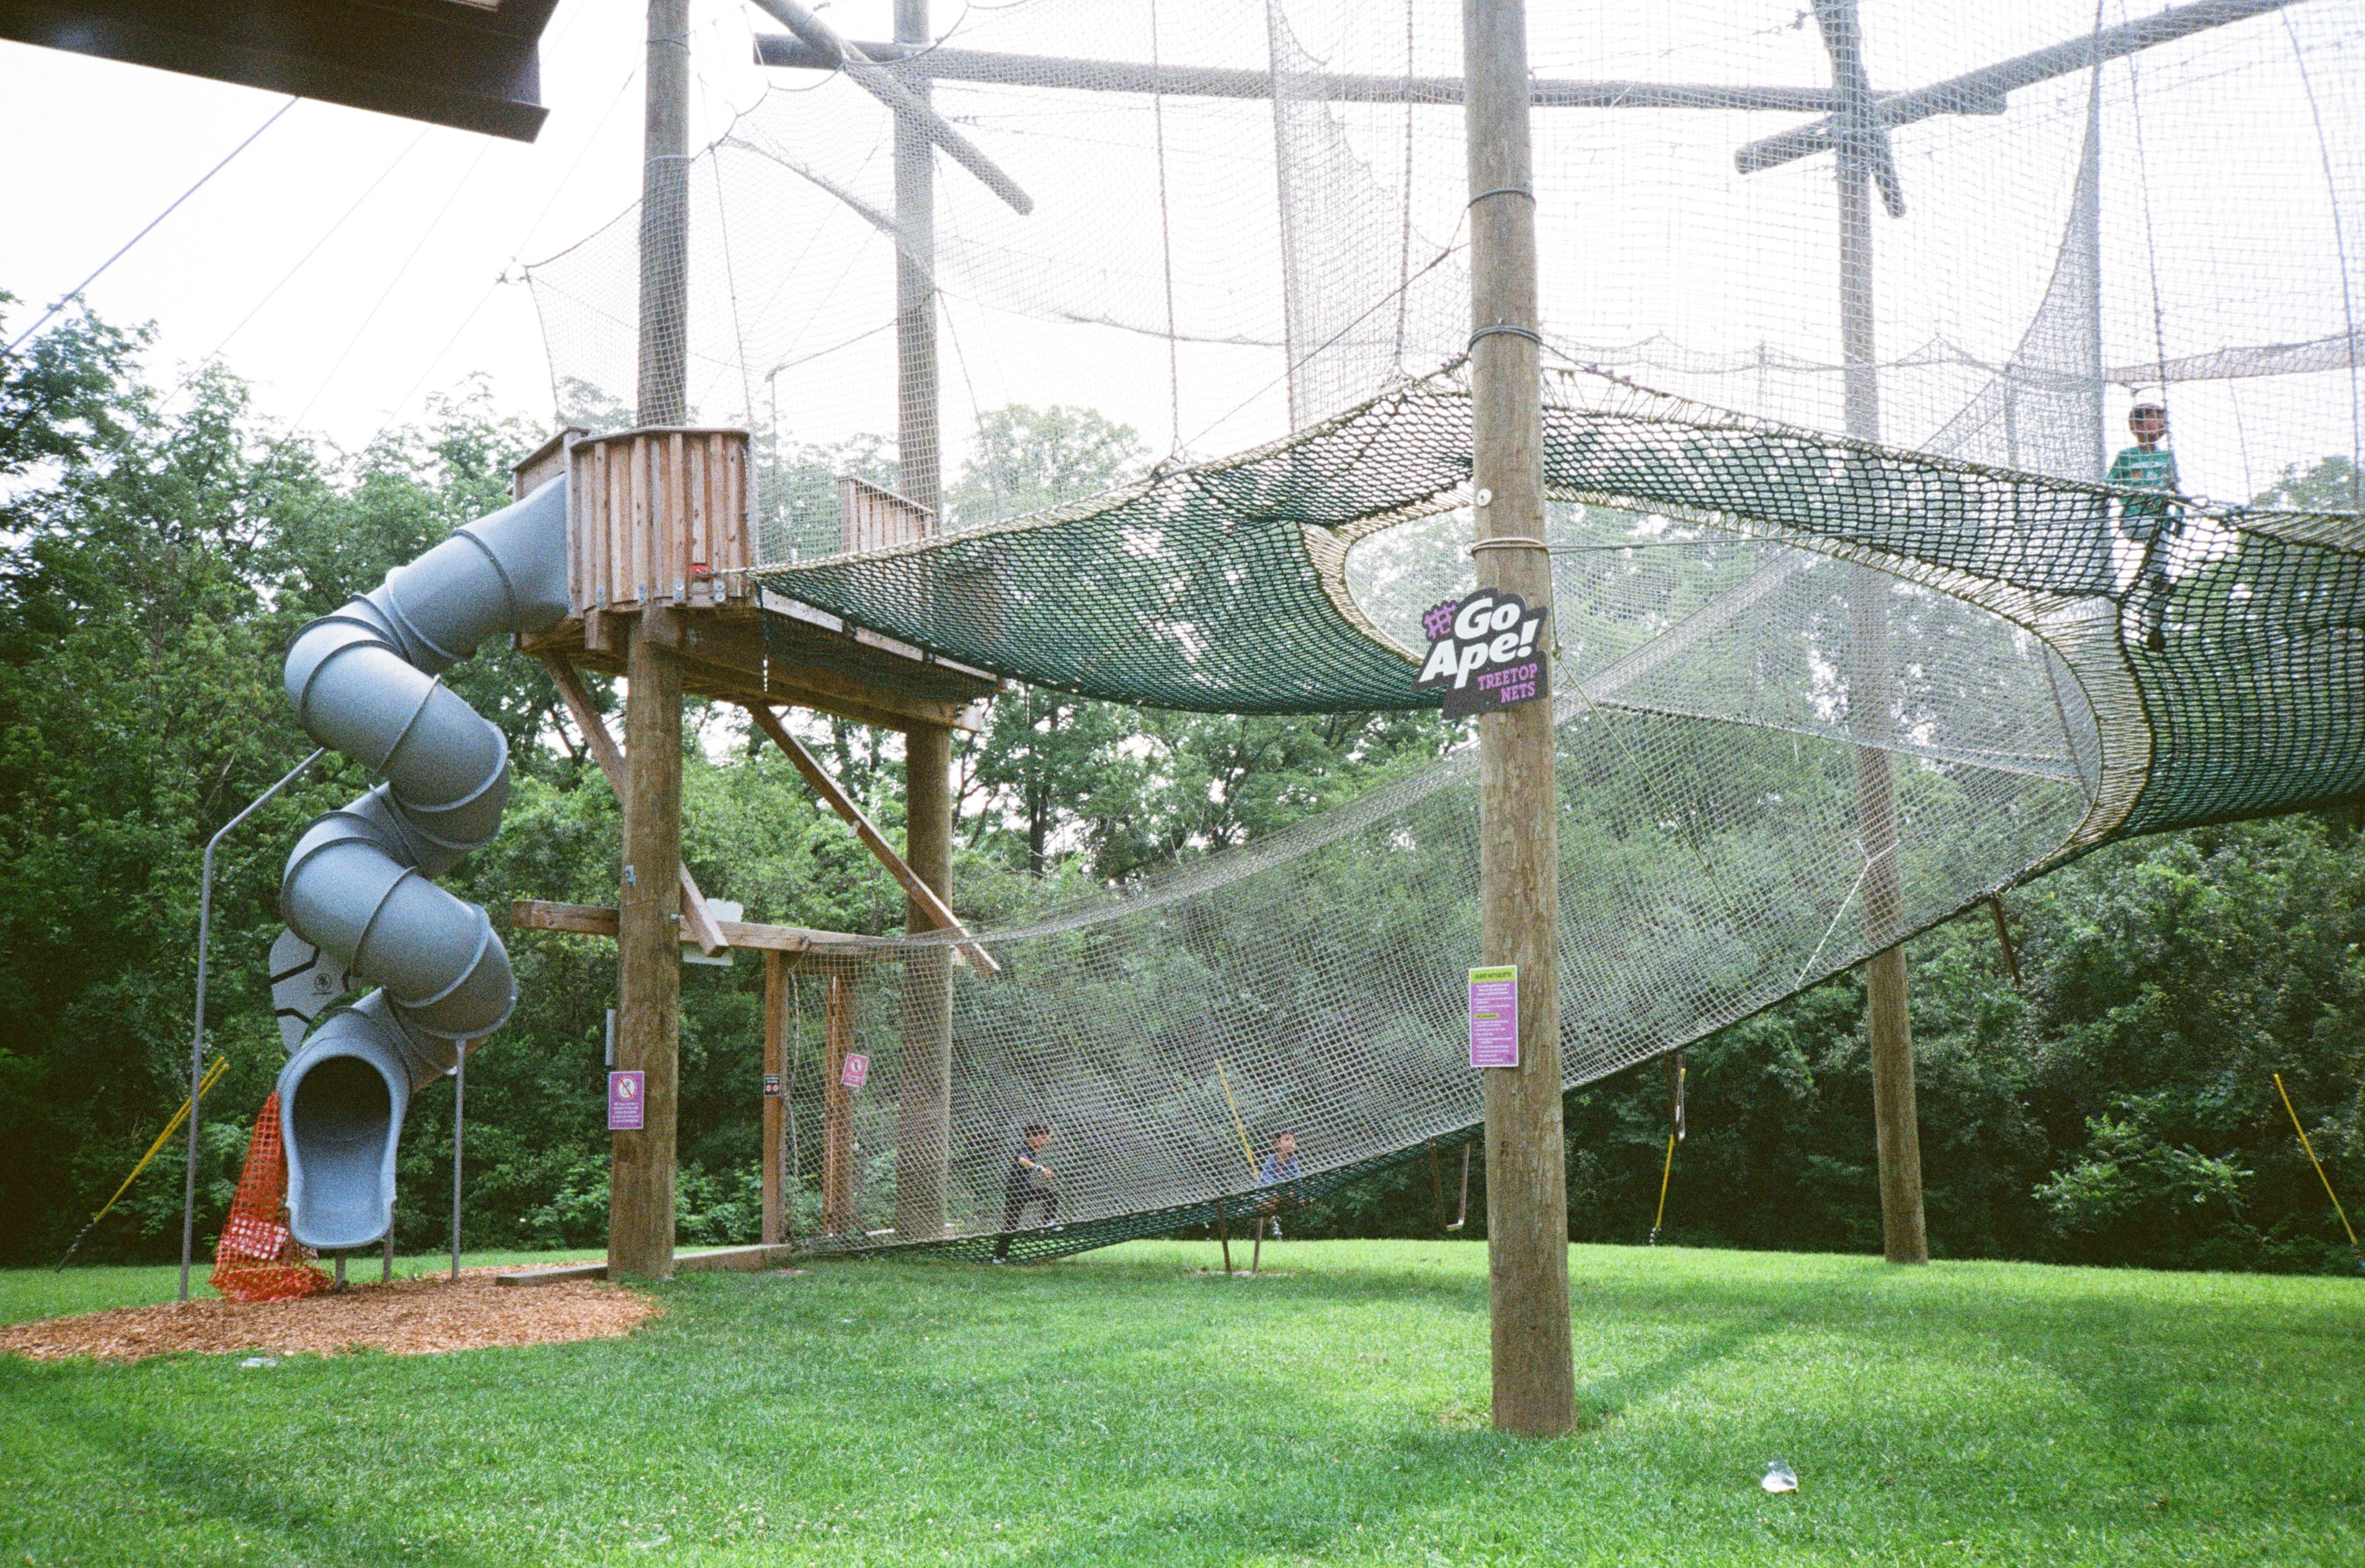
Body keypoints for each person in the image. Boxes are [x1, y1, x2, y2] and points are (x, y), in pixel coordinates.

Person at [2106, 400, 2183, 652]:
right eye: (2154, 418)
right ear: (2137, 426)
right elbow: (2109, 484)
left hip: (2160, 523)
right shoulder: (2126, 457)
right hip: (2134, 520)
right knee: (2156, 543)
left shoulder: (2167, 457)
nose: (2162, 423)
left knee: (2157, 572)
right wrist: (2132, 494)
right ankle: (2159, 583)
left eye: (2163, 419)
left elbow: (2176, 491)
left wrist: (2180, 517)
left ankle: (2156, 628)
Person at [990, 1123, 1059, 1261]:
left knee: (1050, 1193)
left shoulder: (1033, 1148)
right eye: (1041, 1137)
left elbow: (1040, 1146)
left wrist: (1046, 1139)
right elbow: (1022, 1160)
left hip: (1024, 1188)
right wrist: (1040, 1168)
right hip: (1017, 1190)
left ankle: (1047, 1222)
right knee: (1011, 1224)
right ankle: (999, 1256)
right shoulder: (1024, 1149)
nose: (1044, 1140)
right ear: (1032, 1136)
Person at [1255, 1130, 1302, 1237]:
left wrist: (1300, 1197)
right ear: (1276, 1144)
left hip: (1284, 1195)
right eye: (1287, 1140)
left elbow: (1297, 1181)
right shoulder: (1271, 1161)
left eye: (1293, 1141)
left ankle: (1274, 1221)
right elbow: (1267, 1180)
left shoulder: (1293, 1163)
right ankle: (1274, 1222)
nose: (1291, 1143)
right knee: (1266, 1205)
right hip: (1268, 1193)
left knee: (1282, 1200)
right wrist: (1273, 1193)